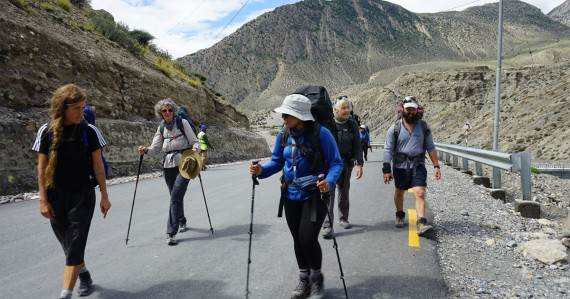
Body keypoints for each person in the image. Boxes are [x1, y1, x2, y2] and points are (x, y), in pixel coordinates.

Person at [249, 94, 343, 299]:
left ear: (300, 116)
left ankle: (316, 279)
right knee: (297, 239)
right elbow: (276, 162)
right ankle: (304, 280)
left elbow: (336, 163)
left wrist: (329, 181)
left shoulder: (322, 134)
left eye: (287, 114)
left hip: (315, 195)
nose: (283, 117)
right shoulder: (283, 135)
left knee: (307, 237)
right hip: (290, 195)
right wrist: (261, 171)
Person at [32, 84, 111, 298]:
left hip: (83, 195)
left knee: (75, 243)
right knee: (67, 243)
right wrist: (43, 200)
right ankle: (83, 273)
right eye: (76, 108)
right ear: (62, 107)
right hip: (55, 196)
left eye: (83, 107)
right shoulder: (46, 131)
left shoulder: (89, 131)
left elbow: (98, 167)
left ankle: (65, 293)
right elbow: (41, 169)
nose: (81, 112)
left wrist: (104, 196)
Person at [138, 98, 200, 245]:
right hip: (167, 166)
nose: (167, 112)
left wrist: (195, 149)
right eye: (164, 110)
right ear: (160, 112)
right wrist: (146, 150)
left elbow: (195, 141)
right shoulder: (161, 127)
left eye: (170, 110)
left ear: (174, 111)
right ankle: (181, 220)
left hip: (184, 164)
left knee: (176, 195)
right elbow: (155, 149)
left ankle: (171, 233)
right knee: (174, 196)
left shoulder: (182, 123)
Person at [382, 96, 441, 236]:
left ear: (416, 110)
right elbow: (388, 149)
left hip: (418, 165)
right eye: (408, 109)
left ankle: (421, 222)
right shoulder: (394, 128)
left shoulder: (424, 127)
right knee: (399, 192)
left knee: (420, 192)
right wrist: (386, 169)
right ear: (403, 109)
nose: (410, 112)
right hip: (400, 166)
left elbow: (430, 147)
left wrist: (436, 166)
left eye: (413, 109)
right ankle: (400, 214)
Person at [321, 97, 363, 239]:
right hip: (330, 164)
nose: (346, 110)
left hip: (347, 162)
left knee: (344, 191)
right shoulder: (328, 124)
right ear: (335, 109)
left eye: (348, 107)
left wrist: (360, 164)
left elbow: (358, 145)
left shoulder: (352, 124)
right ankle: (327, 225)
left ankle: (343, 218)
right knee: (329, 192)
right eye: (343, 108)